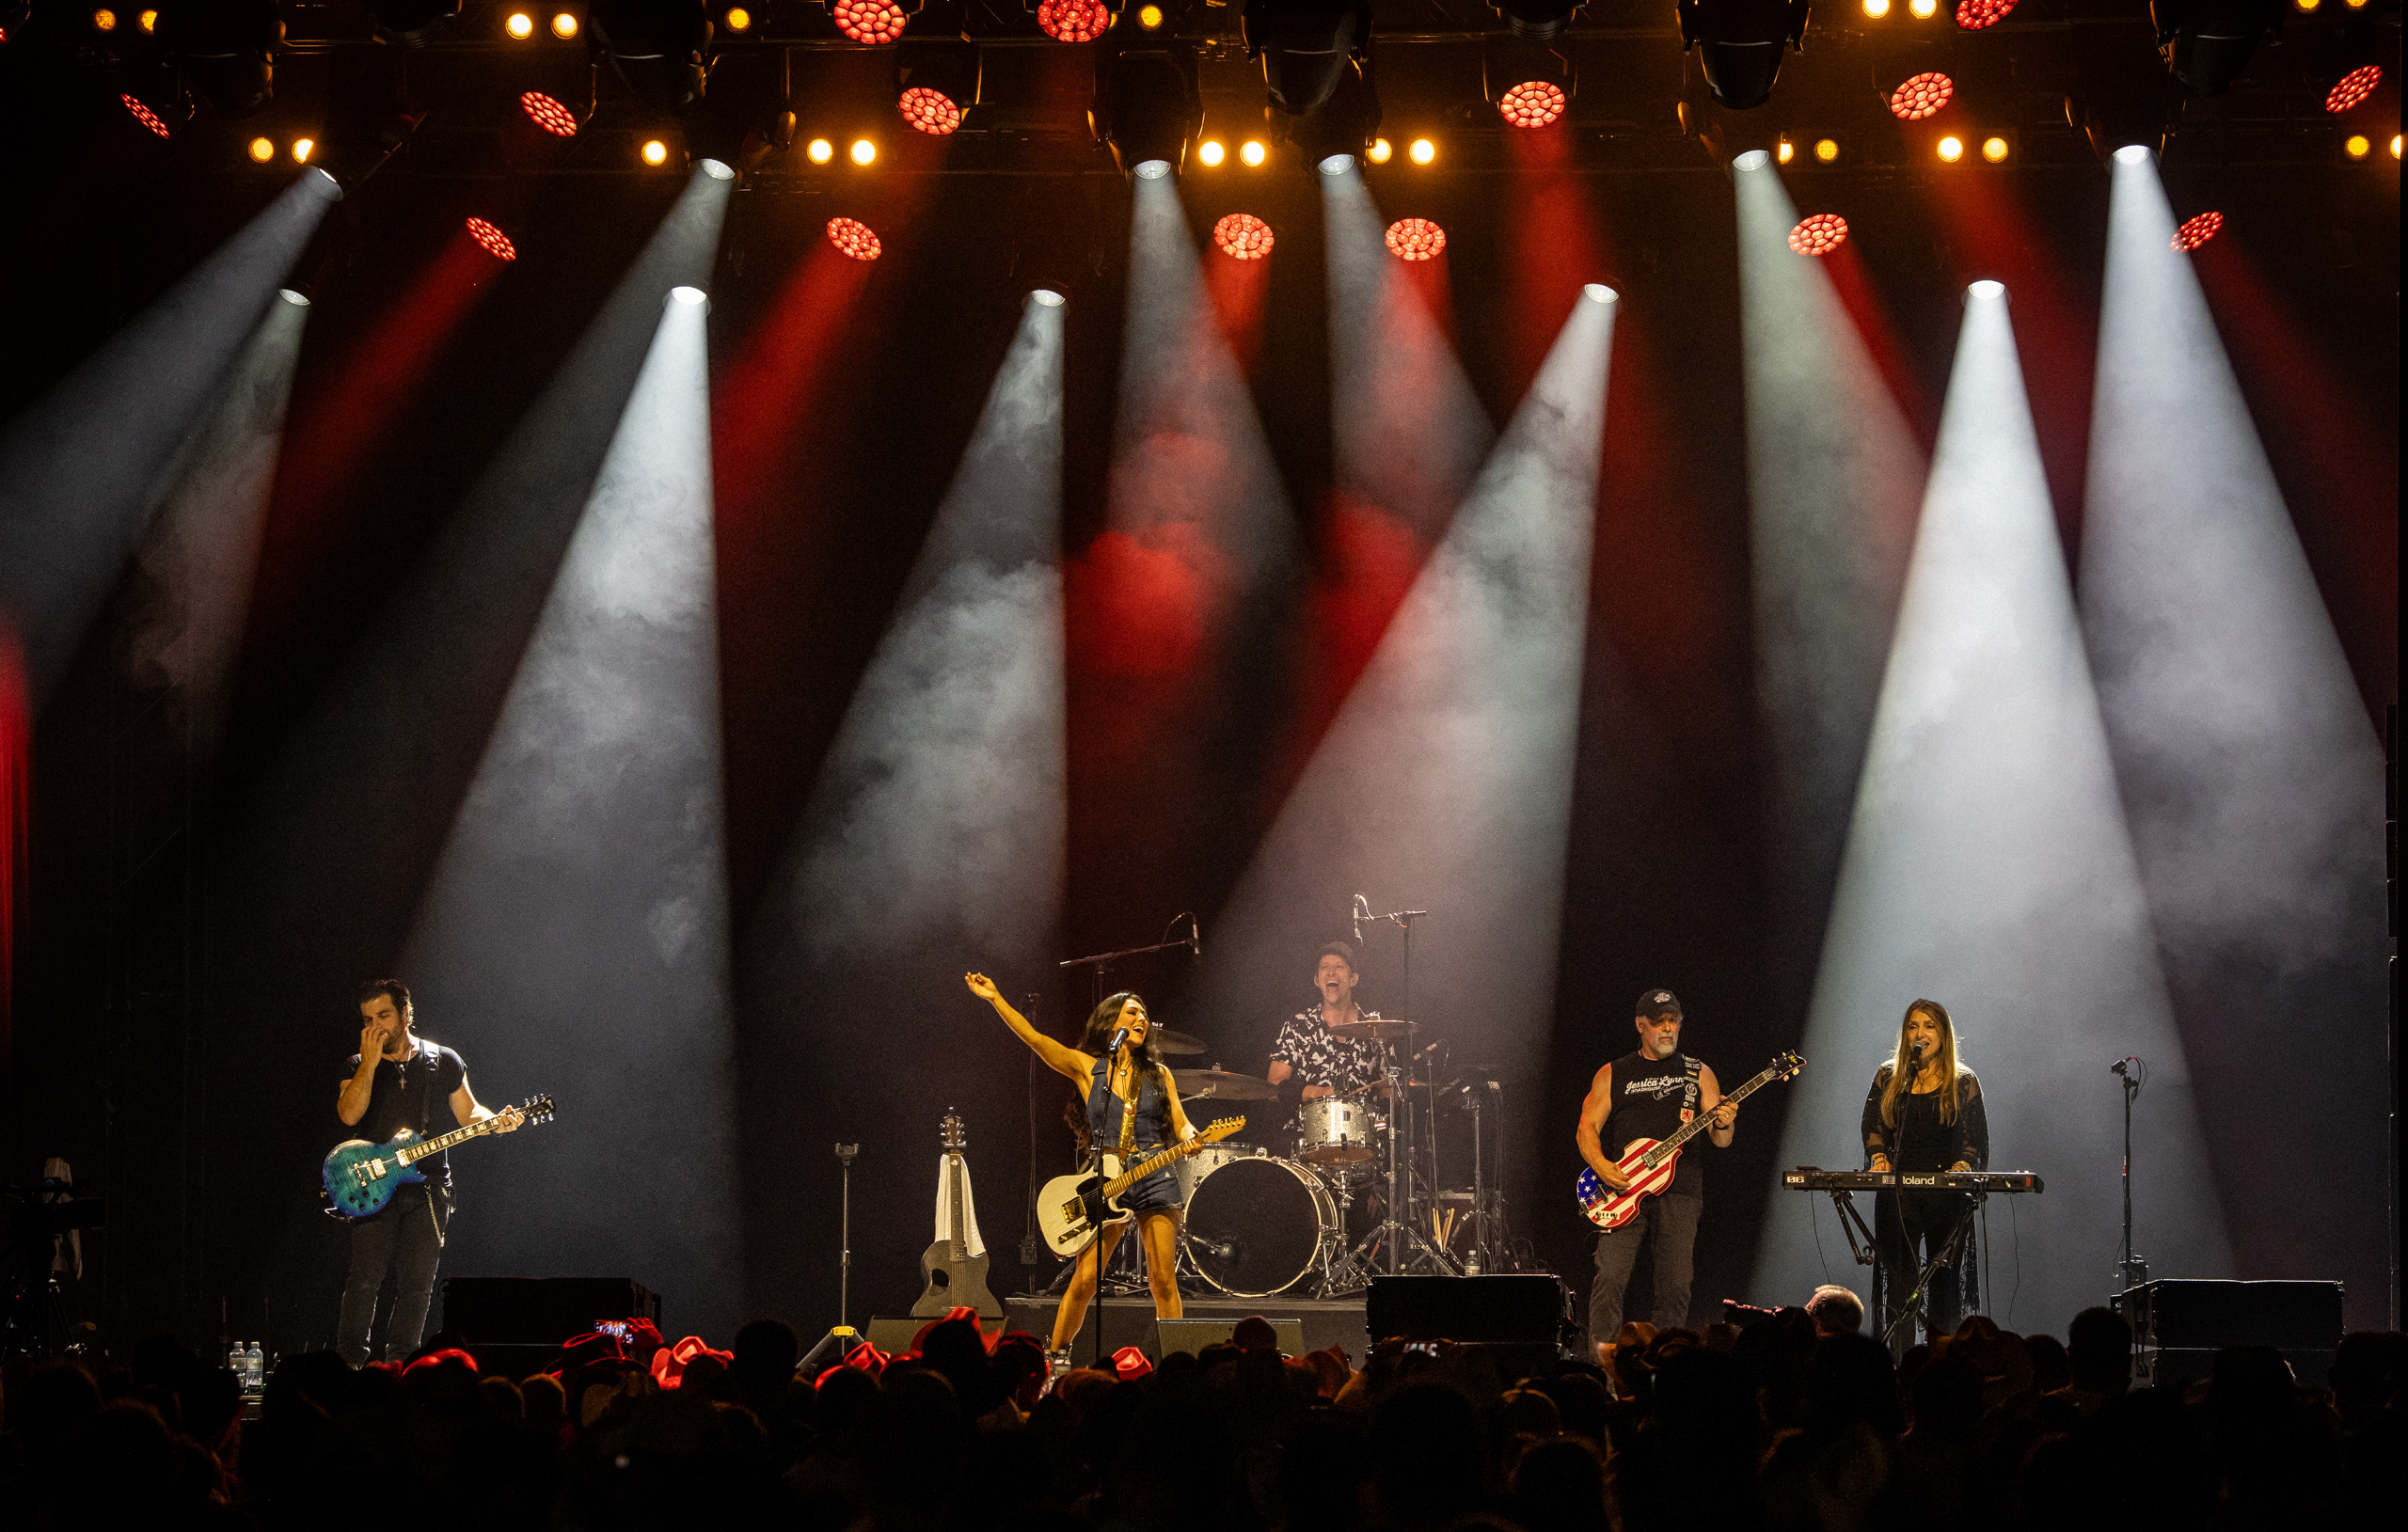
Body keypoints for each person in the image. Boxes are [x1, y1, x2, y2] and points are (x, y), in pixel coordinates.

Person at [965, 972, 1197, 1371]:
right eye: (1132, 1012)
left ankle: (1176, 1366)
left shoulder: (1160, 1075)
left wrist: (1190, 1133)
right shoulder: (1087, 1068)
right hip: (1107, 1178)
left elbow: (1180, 1119)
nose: (1141, 1017)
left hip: (1156, 1175)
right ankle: (1056, 1361)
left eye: (1144, 1013)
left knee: (1162, 1279)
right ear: (1111, 1023)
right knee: (1086, 1278)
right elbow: (1037, 1040)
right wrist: (996, 999)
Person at [333, 979, 521, 1366]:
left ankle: (401, 1366)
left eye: (384, 1016)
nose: (376, 1027)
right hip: (373, 1184)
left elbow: (470, 1113)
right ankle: (350, 1366)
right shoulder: (356, 1063)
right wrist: (368, 1062)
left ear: (406, 1014)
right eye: (368, 1019)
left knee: (417, 1287)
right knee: (364, 1280)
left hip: (429, 1186)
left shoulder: (443, 1060)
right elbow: (349, 1114)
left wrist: (496, 1121)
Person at [1575, 988, 1736, 1352]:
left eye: (1673, 1021)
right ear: (1640, 1025)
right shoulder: (1613, 1072)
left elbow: (1721, 1140)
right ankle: (1603, 1366)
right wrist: (1602, 1166)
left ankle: (1667, 1365)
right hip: (1621, 1187)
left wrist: (1724, 1123)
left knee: (1676, 1285)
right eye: (1658, 1021)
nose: (1667, 1028)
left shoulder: (1698, 1072)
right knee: (1610, 1278)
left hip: (1680, 1190)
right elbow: (1586, 1128)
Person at [1861, 998, 1988, 1347]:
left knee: (1943, 1282)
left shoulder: (1963, 1081)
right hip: (1897, 1194)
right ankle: (1899, 1360)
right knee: (1900, 1283)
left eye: (1929, 1026)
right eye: (1913, 1026)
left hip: (1945, 1196)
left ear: (1944, 1035)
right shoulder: (1889, 1076)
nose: (1921, 1033)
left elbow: (1974, 1139)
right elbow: (1873, 1127)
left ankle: (1941, 1363)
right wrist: (1878, 1157)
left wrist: (1961, 1166)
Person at [1265, 941, 1387, 1104]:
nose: (1331, 972)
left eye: (1339, 967)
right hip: (1306, 1128)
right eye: (1324, 967)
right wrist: (1319, 1092)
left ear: (1353, 979)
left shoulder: (1377, 1028)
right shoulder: (1298, 1026)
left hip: (1363, 1128)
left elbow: (1389, 1089)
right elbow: (1273, 1087)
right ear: (1316, 980)